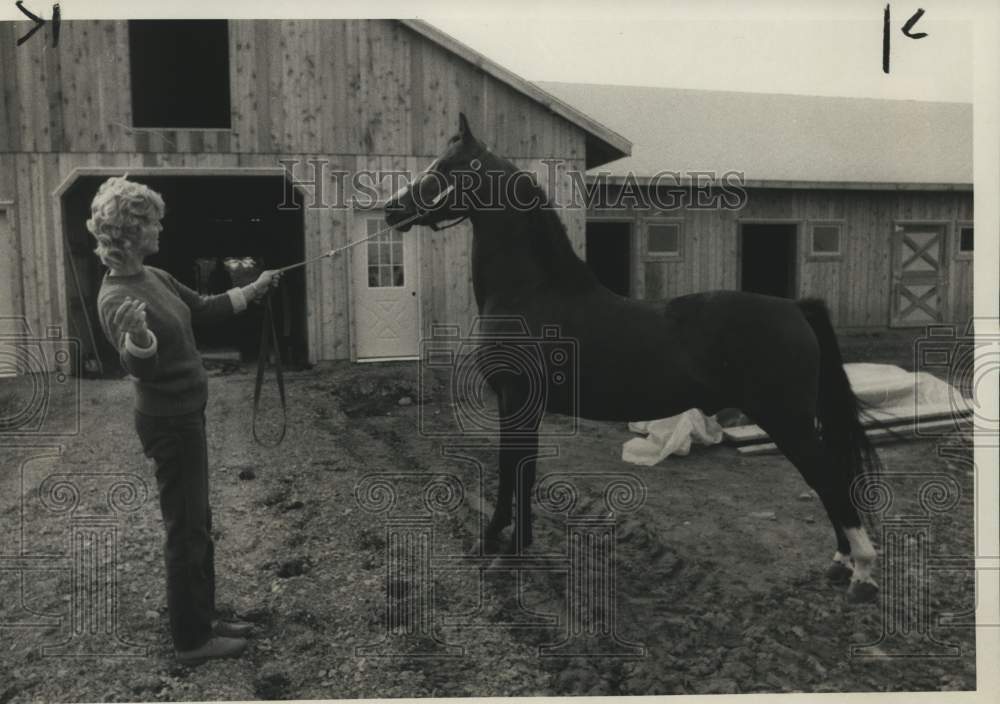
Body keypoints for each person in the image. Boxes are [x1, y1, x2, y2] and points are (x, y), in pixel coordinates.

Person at [89, 176, 281, 665]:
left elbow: (205, 308)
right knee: (185, 528)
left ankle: (204, 615)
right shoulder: (116, 298)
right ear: (130, 232)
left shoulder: (156, 276)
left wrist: (252, 290)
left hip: (187, 415)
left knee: (199, 522)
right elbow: (139, 370)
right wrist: (138, 338)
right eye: (152, 221)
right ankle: (192, 641)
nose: (160, 228)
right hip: (168, 423)